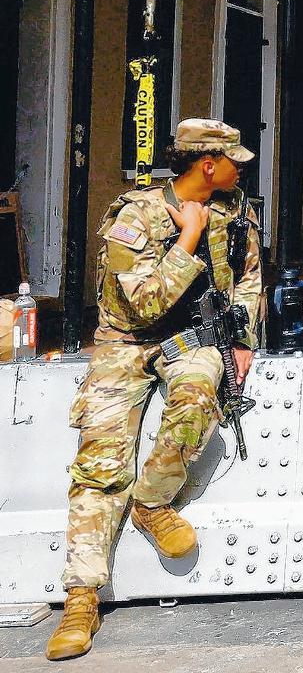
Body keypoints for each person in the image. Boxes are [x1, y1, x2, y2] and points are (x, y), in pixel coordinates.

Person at [47, 120, 261, 661]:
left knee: (199, 394)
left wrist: (244, 339)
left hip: (193, 340)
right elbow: (142, 305)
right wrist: (188, 237)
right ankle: (81, 595)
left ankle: (151, 502)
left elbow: (249, 277)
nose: (242, 167)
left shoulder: (237, 210)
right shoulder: (136, 215)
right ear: (206, 165)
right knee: (99, 462)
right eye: (233, 159)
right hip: (126, 342)